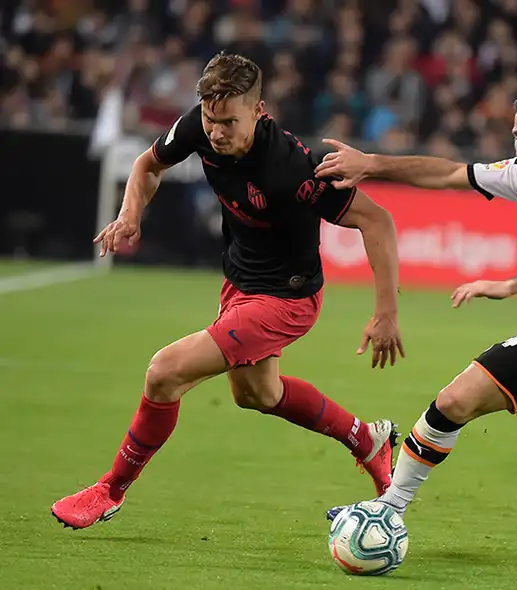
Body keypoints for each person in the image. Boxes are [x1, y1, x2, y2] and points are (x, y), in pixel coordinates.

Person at [51, 52, 405, 530]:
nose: (215, 132)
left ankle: (110, 489)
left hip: (286, 300)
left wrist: (386, 312)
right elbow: (146, 165)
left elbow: (377, 221)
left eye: (228, 122)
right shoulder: (201, 124)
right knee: (258, 394)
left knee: (164, 373)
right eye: (209, 119)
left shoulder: (293, 169)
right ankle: (368, 440)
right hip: (239, 283)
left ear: (259, 112)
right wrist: (131, 214)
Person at [316, 87, 517, 567]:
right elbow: (449, 172)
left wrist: (508, 285)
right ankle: (389, 507)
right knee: (453, 401)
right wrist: (371, 164)